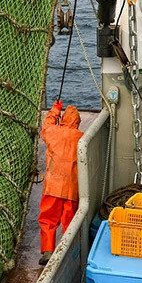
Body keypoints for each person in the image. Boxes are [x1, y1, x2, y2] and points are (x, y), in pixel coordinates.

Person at [37, 100, 82, 265]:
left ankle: (48, 251)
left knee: (48, 219)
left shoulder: (53, 131)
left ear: (63, 119)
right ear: (77, 122)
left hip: (52, 186)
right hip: (71, 189)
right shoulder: (81, 138)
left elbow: (46, 126)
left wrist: (55, 109)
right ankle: (67, 252)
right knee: (68, 221)